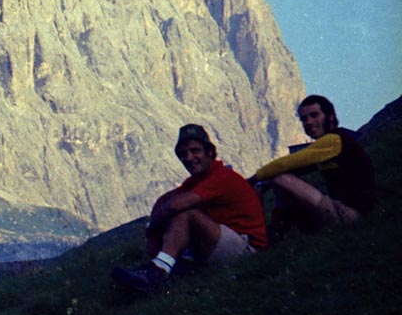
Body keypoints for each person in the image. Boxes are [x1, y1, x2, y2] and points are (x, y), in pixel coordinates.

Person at [111, 124, 269, 293]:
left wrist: (152, 229)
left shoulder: (221, 176)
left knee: (187, 213)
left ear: (210, 152)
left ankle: (157, 273)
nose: (189, 157)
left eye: (195, 151)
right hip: (227, 242)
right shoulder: (197, 180)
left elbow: (175, 205)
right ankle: (162, 267)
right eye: (183, 154)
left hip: (248, 249)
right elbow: (166, 199)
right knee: (181, 211)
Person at [249, 95, 374, 238]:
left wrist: (251, 181)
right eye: (304, 118)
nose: (308, 122)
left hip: (349, 214)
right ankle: (276, 231)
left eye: (314, 115)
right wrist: (263, 185)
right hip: (347, 211)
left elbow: (282, 164)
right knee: (280, 179)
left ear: (331, 117)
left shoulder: (334, 140)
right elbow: (293, 168)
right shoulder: (331, 144)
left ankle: (276, 232)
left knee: (281, 179)